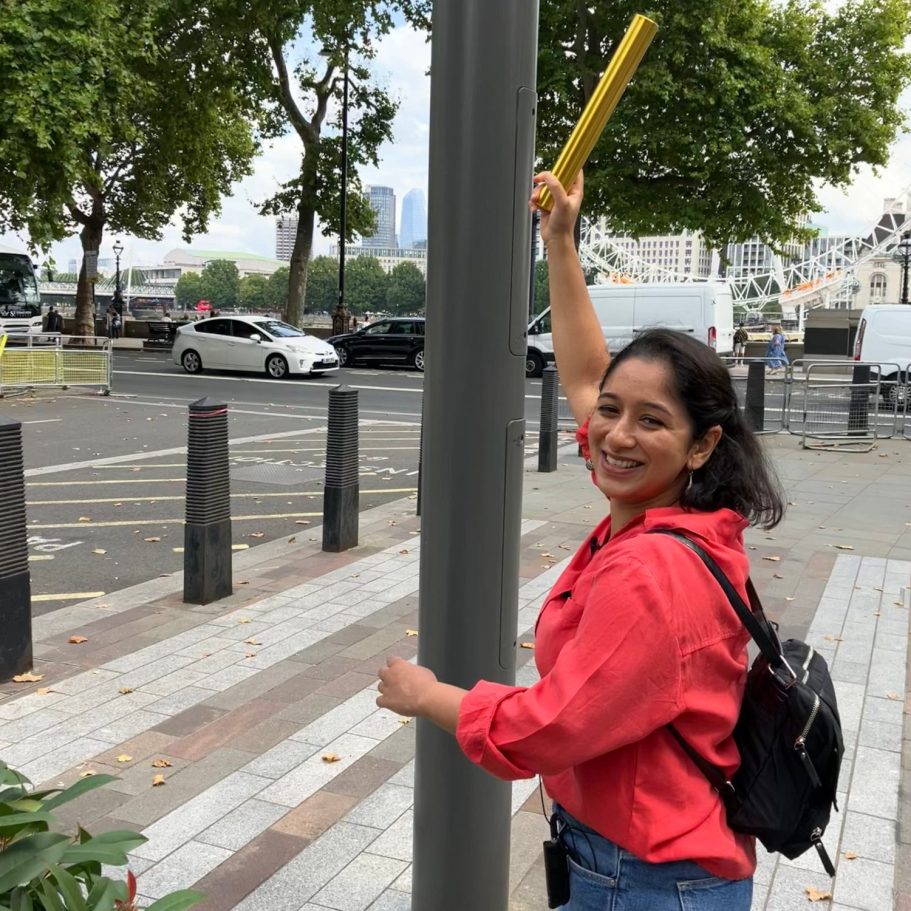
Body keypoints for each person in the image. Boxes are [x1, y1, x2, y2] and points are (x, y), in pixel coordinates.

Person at [376, 171, 785, 910]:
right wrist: (559, 241)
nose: (615, 435)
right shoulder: (686, 522)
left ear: (702, 445)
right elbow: (585, 377)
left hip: (647, 877)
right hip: (653, 860)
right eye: (610, 412)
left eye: (651, 421)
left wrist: (428, 695)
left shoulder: (652, 568)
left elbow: (550, 728)